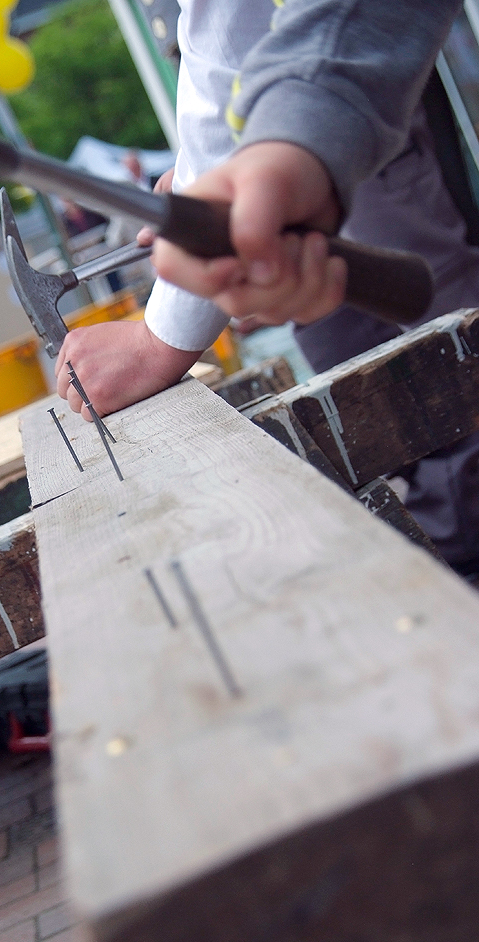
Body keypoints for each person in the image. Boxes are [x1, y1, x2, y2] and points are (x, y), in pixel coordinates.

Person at [56, 0, 479, 575]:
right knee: (349, 356)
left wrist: (162, 338)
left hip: (364, 104)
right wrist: (214, 165)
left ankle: (460, 553)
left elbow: (230, 21)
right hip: (307, 109)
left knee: (447, 347)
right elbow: (220, 46)